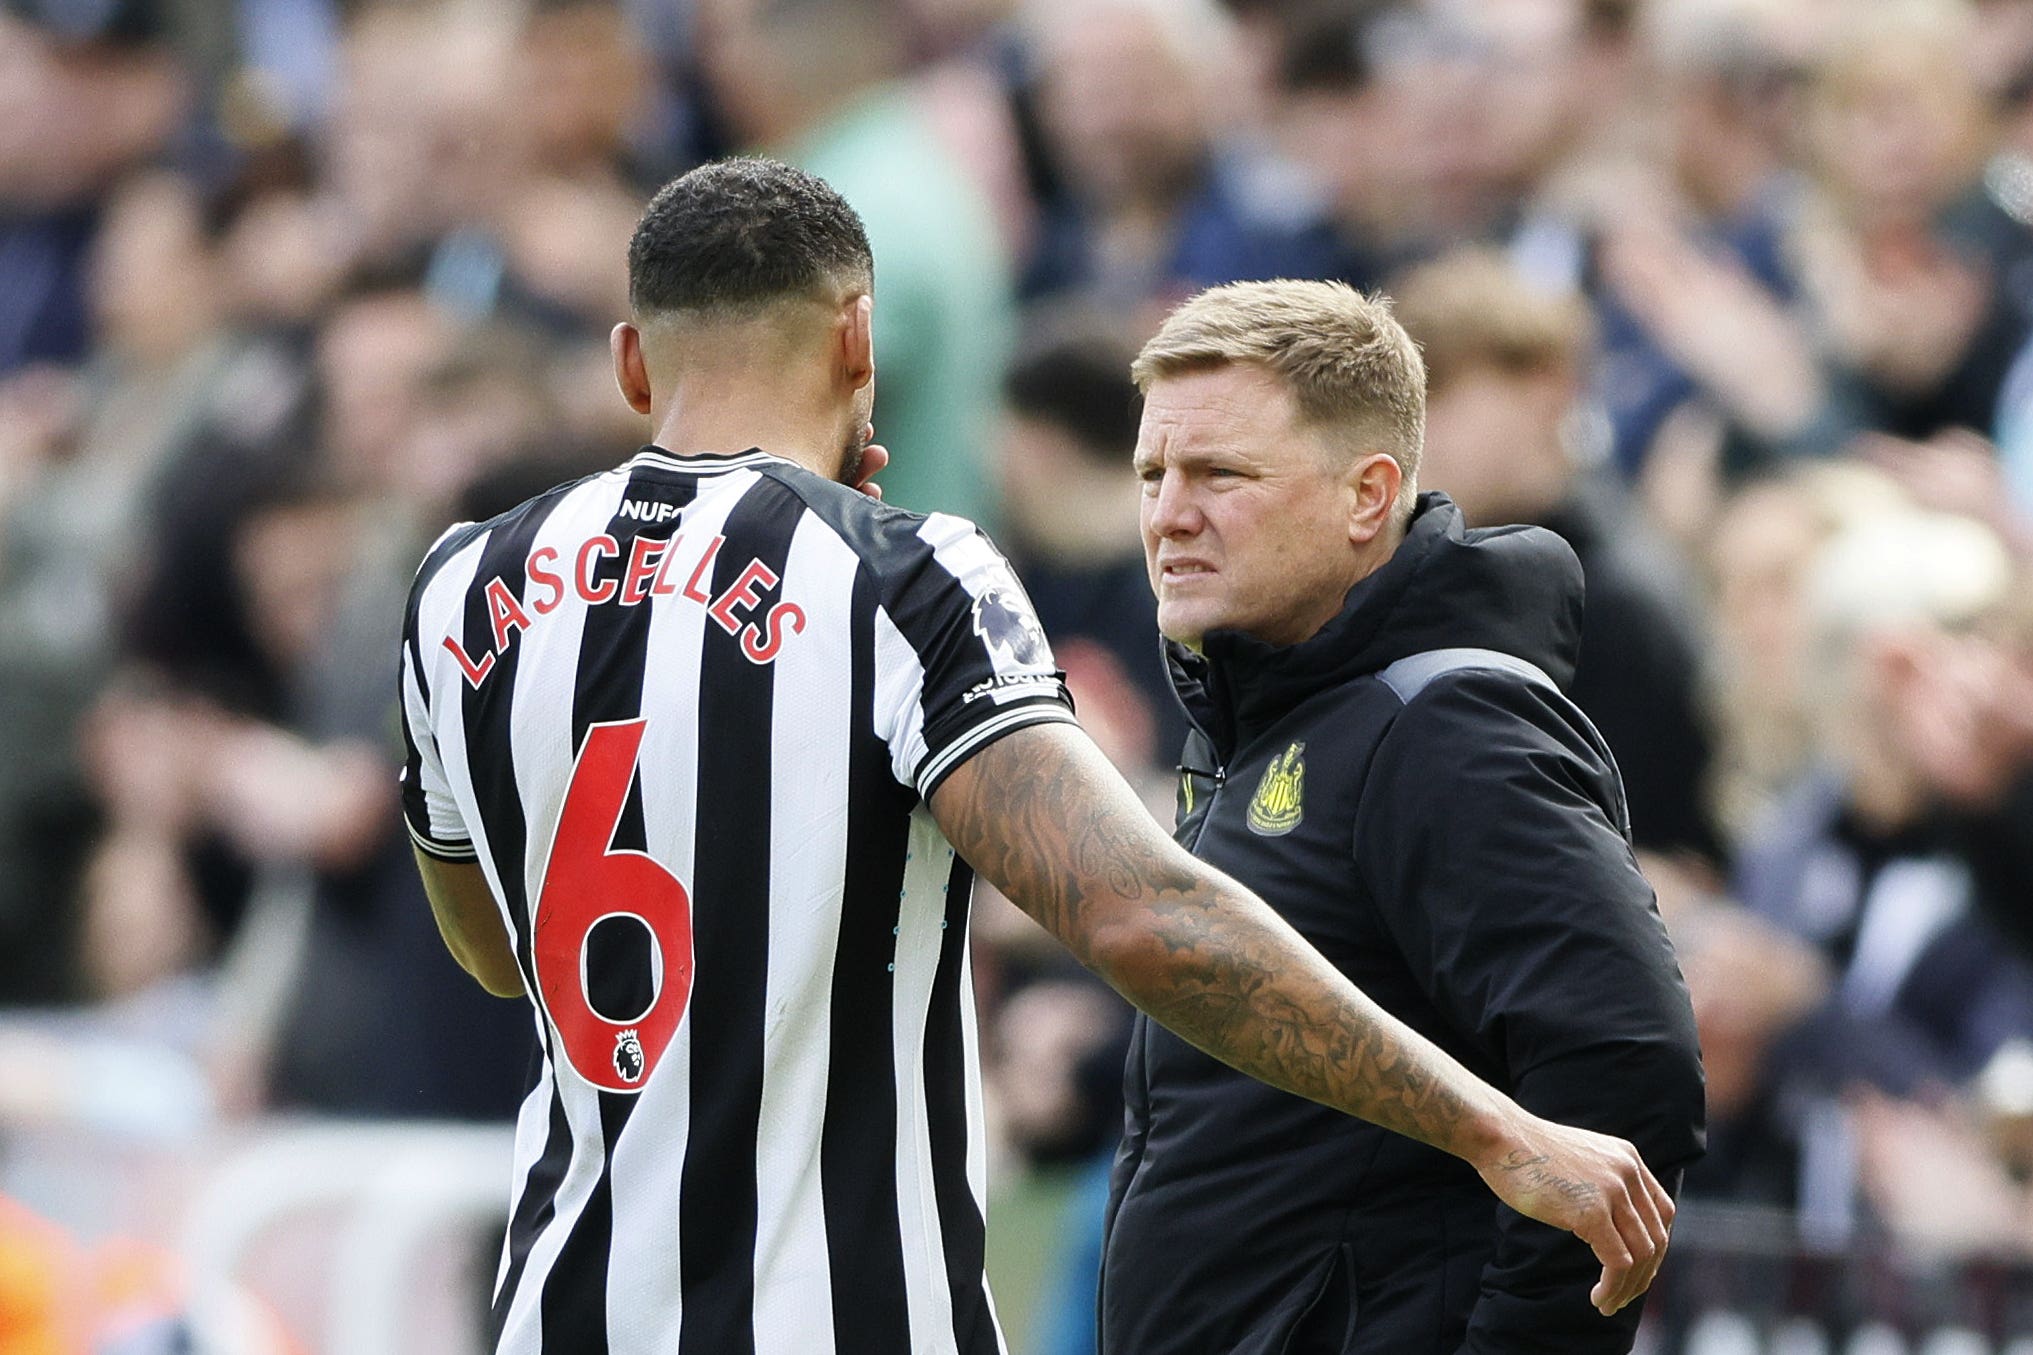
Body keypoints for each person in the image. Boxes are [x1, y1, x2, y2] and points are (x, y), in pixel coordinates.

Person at [397, 158, 1672, 1355]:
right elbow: (1136, 914)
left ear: (630, 362)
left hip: (558, 1310)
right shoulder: (900, 575)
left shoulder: (458, 587)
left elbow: (499, 948)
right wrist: (1494, 1128)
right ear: (857, 338)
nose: (1170, 506)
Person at [1100, 279, 1705, 1355]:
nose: (1167, 513)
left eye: (1218, 473)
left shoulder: (1444, 723)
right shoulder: (1247, 724)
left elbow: (1623, 1066)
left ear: (1367, 495)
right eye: (1152, 473)